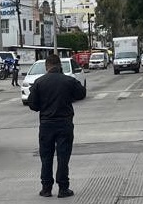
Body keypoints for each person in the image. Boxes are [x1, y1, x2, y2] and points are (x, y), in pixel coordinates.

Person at [28, 53, 86, 198]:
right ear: (59, 65)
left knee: (46, 156)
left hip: (46, 124)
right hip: (64, 123)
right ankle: (63, 188)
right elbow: (81, 94)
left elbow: (33, 105)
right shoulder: (68, 81)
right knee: (63, 156)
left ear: (46, 66)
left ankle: (46, 188)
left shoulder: (39, 82)